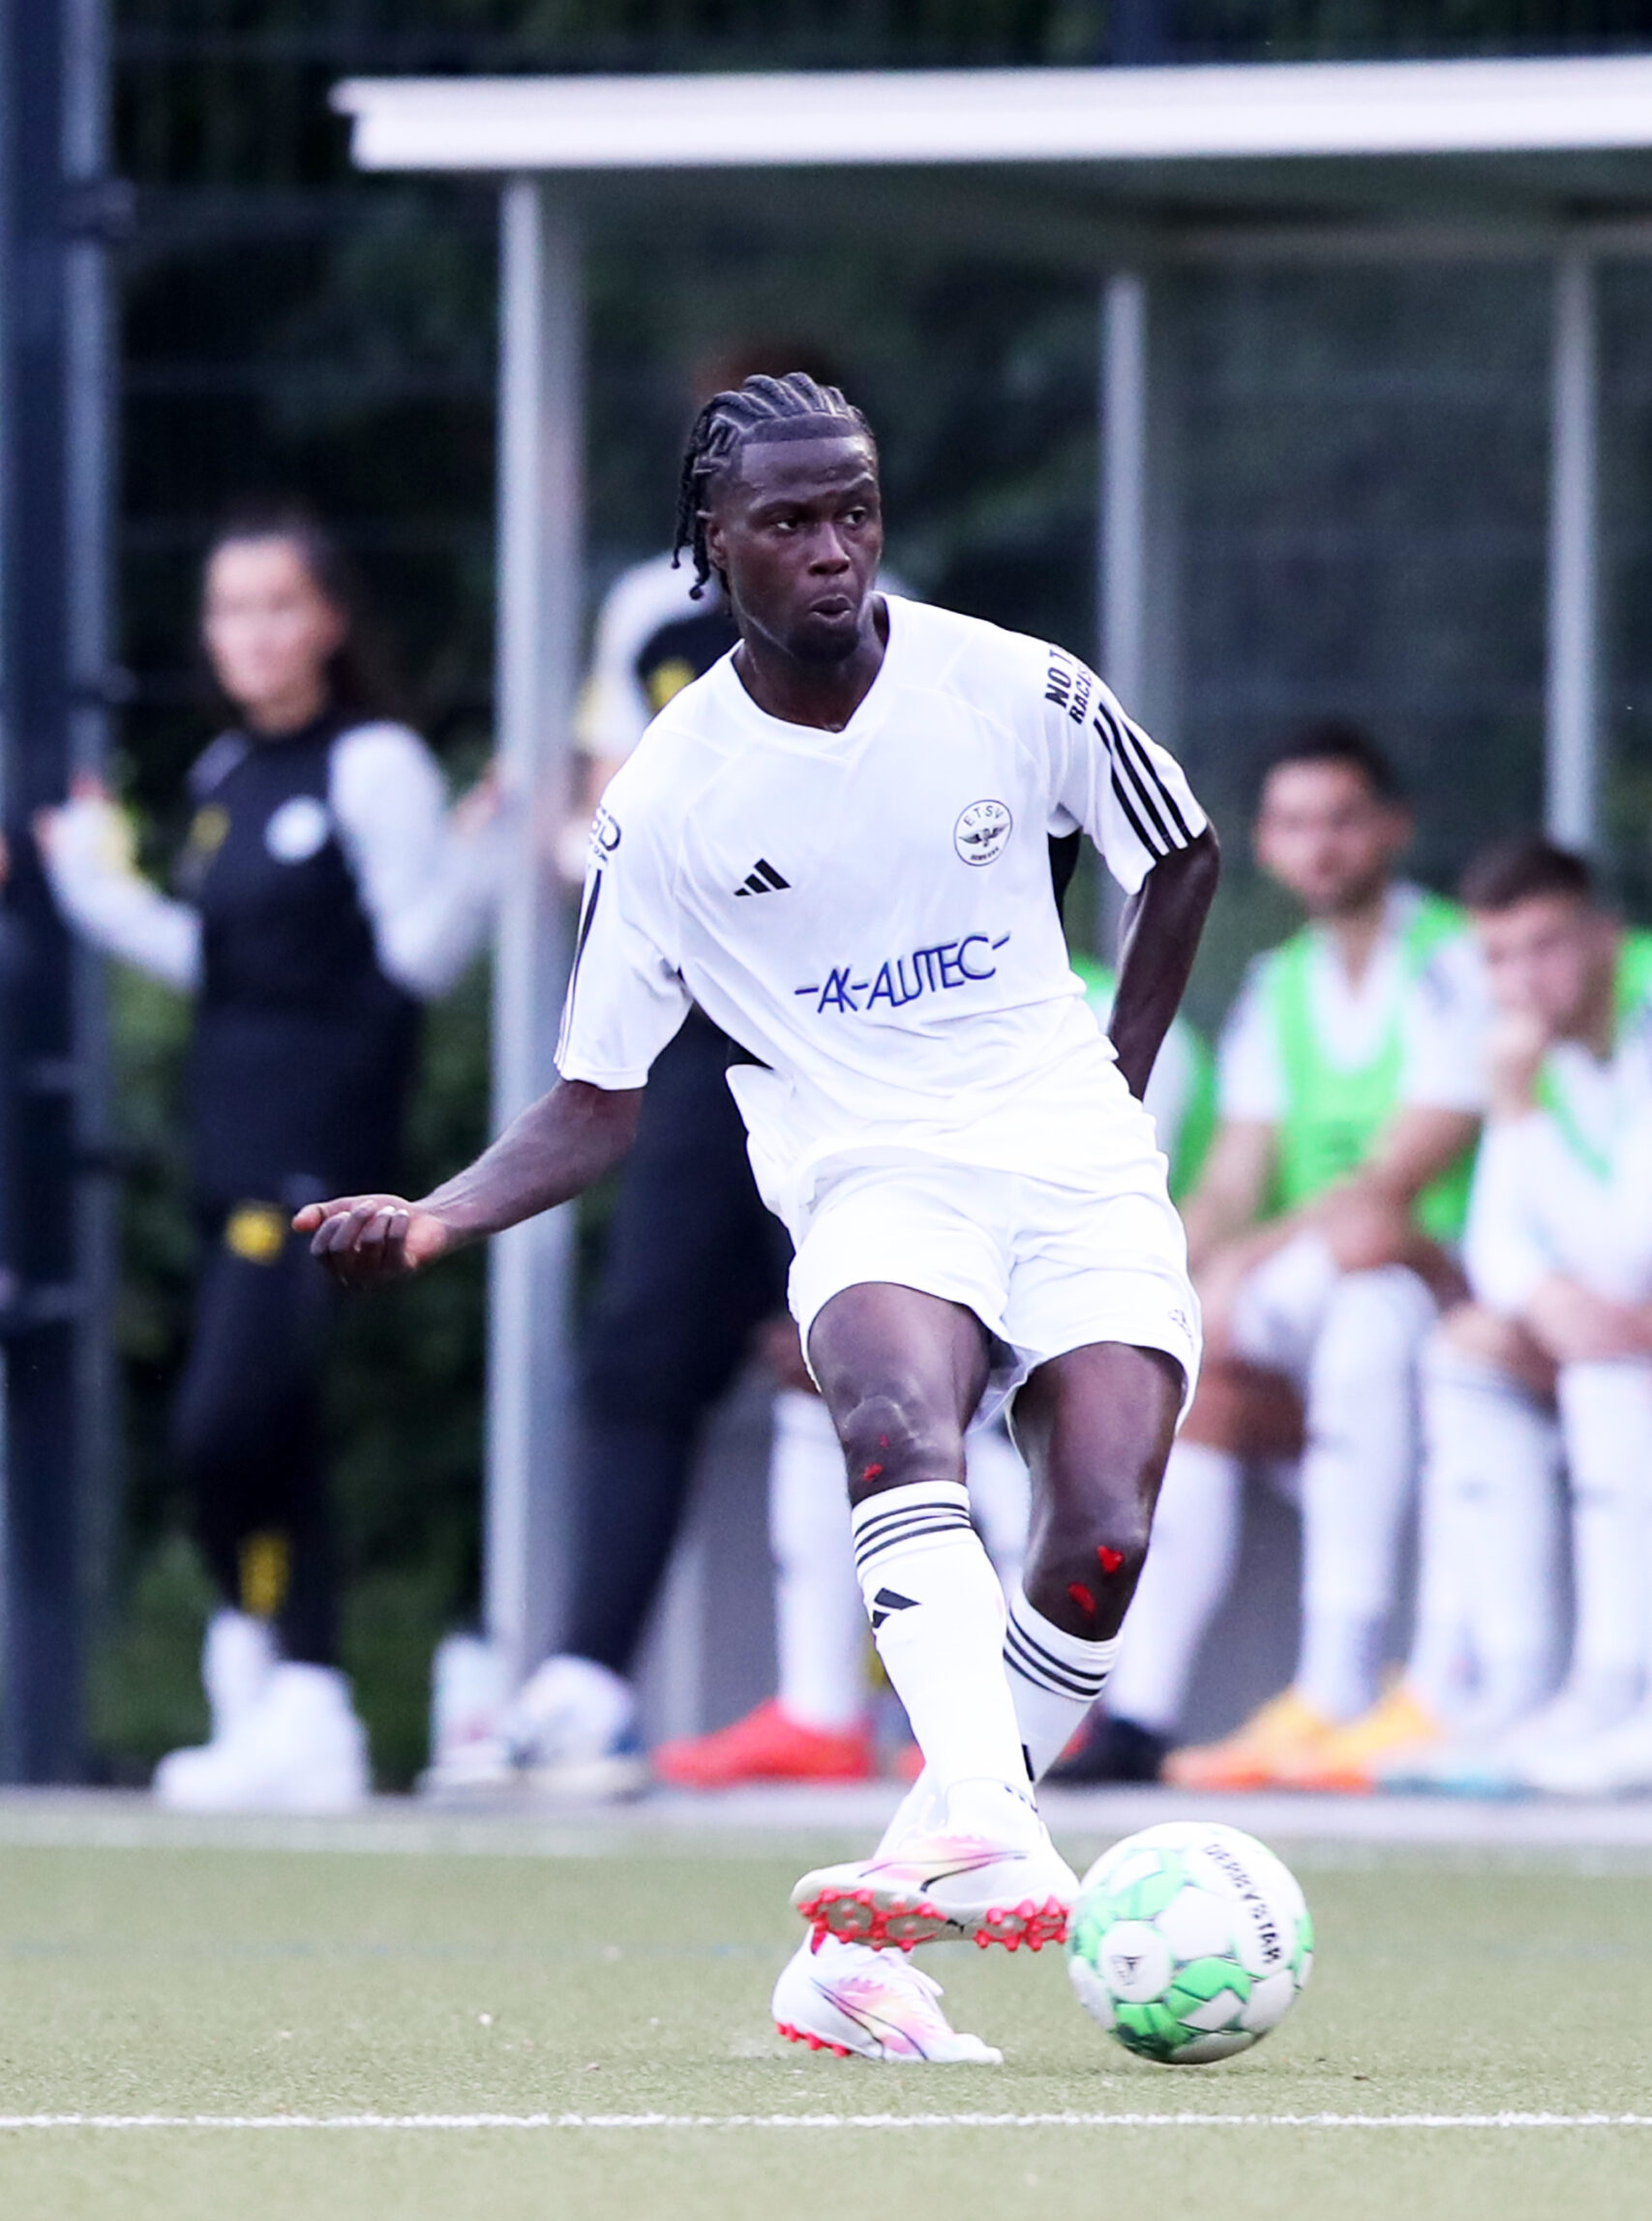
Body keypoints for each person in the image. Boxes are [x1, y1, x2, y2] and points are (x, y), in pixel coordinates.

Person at [297, 370, 1217, 2064]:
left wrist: (1118, 1074)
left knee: (1099, 1538)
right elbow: (594, 1098)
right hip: (865, 1170)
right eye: (788, 522)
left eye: (852, 511)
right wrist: (436, 1217)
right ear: (710, 545)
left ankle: (854, 1956)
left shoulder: (1013, 686)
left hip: (1069, 1156)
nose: (832, 549)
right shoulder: (668, 799)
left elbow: (1178, 852)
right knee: (893, 1416)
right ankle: (986, 1825)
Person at [429, 347, 885, 1802]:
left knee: (885, 1352)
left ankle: (986, 1705)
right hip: (702, 1043)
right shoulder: (650, 614)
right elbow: (598, 810)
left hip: (863, 1041)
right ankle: (585, 1686)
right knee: (642, 1352)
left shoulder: (901, 624)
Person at [38, 507, 497, 1812]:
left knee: (226, 1421)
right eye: (230, 610)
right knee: (264, 1431)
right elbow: (221, 962)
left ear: (329, 622)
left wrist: (481, 854)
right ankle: (295, 1697)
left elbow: (416, 955)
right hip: (229, 1146)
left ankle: (282, 1685)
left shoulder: (373, 763)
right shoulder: (226, 771)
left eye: (278, 605)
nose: (251, 634)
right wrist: (96, 888)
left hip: (322, 1149)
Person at [650, 948, 1213, 1792]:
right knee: (843, 1388)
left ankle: (1038, 1708)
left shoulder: (1099, 1008)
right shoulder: (889, 986)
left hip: (1085, 1292)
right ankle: (820, 1712)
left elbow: (1099, 1202)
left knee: (1029, 1423)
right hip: (953, 1273)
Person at [1122, 726, 1486, 1793]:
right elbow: (1236, 1173)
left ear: (1391, 828)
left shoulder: (1454, 957)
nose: (1318, 845)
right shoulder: (1278, 984)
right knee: (1196, 1375)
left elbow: (1399, 1170)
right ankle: (1137, 1712)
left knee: (1363, 1309)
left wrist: (1245, 1265)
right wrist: (1165, 1281)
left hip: (1446, 1276)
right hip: (1321, 1281)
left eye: (1340, 819)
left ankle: (1339, 1686)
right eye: (1292, 824)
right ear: (1264, 844)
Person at [1367, 841, 1652, 1798]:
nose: (1522, 980)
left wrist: (1517, 1107)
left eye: (1545, 947)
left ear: (1604, 936)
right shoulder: (1534, 1048)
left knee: (1611, 1359)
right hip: (1625, 1321)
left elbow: (1630, 1251)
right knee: (1471, 1349)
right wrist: (1543, 1300)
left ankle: (1624, 1684)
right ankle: (1516, 1683)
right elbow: (1499, 1240)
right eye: (1497, 956)